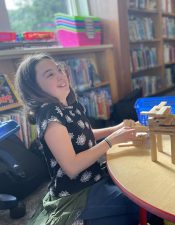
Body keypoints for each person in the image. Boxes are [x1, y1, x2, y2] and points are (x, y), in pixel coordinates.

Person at [14, 53, 142, 225]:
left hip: (94, 178)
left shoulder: (68, 105)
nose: (60, 75)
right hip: (78, 193)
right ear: (34, 88)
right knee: (139, 204)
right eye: (50, 74)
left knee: (133, 185)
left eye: (58, 69)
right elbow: (72, 167)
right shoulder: (50, 116)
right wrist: (111, 140)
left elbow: (82, 135)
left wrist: (115, 129)